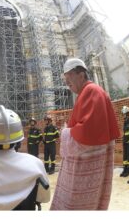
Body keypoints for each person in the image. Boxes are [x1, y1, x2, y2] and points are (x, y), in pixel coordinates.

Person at [50, 58, 120, 210]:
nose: (67, 85)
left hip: (86, 165)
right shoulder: (87, 92)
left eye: (69, 80)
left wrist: (65, 133)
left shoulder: (91, 91)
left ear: (81, 75)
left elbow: (86, 134)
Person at [120, 105, 129, 177]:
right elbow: (125, 132)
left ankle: (128, 170)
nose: (123, 115)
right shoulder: (125, 121)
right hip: (125, 141)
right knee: (125, 156)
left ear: (126, 113)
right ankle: (124, 169)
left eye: (124, 113)